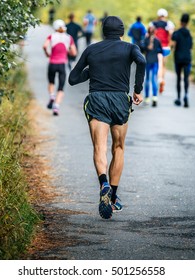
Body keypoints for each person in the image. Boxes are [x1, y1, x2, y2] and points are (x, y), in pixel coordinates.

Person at [68, 16, 146, 219]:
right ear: (122, 32)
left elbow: (73, 78)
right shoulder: (130, 48)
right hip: (120, 100)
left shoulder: (92, 49)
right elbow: (142, 61)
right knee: (118, 147)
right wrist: (137, 89)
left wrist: (92, 71)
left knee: (99, 148)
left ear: (103, 31)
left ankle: (103, 183)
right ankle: (113, 197)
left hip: (97, 99)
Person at [43, 19, 77, 116]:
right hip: (62, 64)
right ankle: (56, 107)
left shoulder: (51, 36)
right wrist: (67, 52)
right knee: (61, 88)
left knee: (51, 82)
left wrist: (47, 54)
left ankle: (51, 96)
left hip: (52, 63)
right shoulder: (68, 37)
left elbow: (45, 46)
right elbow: (74, 52)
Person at [171, 13, 193, 108]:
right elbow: (191, 47)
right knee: (186, 78)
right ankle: (186, 95)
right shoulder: (189, 34)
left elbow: (173, 45)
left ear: (180, 22)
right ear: (188, 22)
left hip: (178, 58)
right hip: (187, 58)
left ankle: (179, 98)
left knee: (179, 78)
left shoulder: (176, 33)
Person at [152, 8, 175, 93]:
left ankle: (158, 79)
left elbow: (150, 35)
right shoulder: (169, 24)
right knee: (164, 65)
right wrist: (171, 44)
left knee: (157, 65)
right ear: (166, 16)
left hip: (156, 48)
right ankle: (162, 79)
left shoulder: (153, 24)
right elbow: (172, 35)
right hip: (165, 47)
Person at [141, 22, 163, 107]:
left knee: (147, 80)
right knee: (154, 79)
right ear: (155, 31)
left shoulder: (145, 40)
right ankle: (154, 97)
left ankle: (146, 98)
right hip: (155, 61)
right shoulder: (157, 40)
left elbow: (142, 50)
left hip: (147, 61)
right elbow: (160, 50)